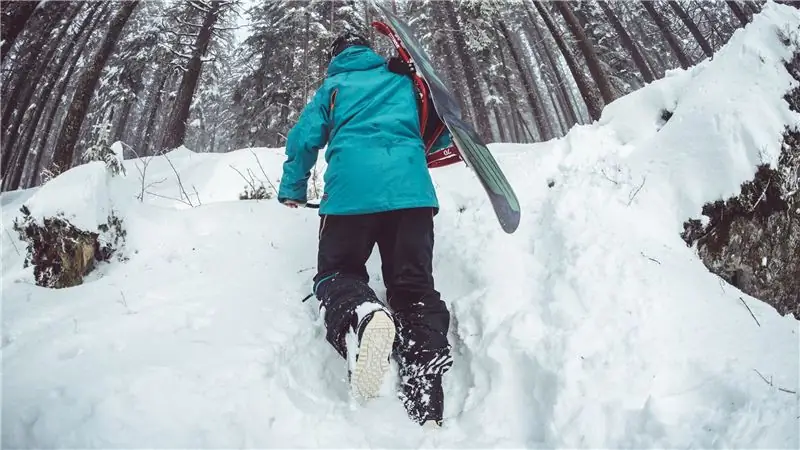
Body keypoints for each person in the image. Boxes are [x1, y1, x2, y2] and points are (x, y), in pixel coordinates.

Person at [277, 31, 453, 427]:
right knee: (413, 287)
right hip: (412, 195)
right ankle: (425, 381)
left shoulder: (333, 87)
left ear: (335, 56)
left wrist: (293, 188)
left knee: (337, 273)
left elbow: (304, 138)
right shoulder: (403, 78)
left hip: (351, 197)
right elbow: (436, 127)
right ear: (368, 51)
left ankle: (362, 316)